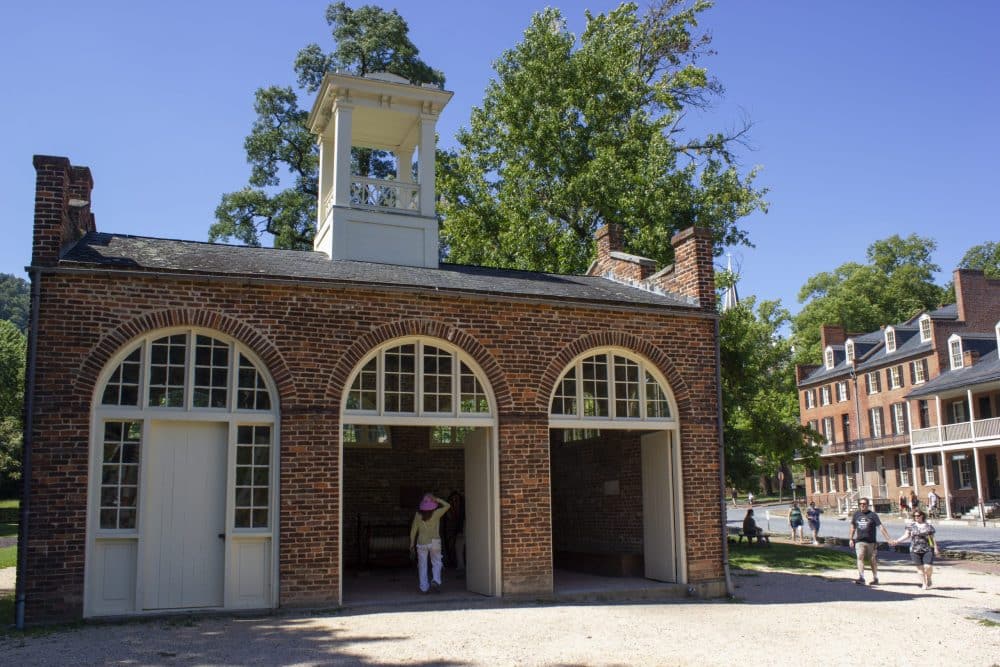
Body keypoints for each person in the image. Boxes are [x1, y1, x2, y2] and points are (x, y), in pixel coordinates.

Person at [409, 493, 451, 594]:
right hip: (435, 542)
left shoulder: (418, 515)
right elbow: (448, 505)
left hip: (421, 543)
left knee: (422, 566)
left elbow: (413, 530)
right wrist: (437, 499)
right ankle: (436, 580)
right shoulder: (437, 513)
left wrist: (411, 544)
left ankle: (424, 588)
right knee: (437, 562)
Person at [891, 508, 941, 590]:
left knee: (928, 567)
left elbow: (932, 538)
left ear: (922, 516)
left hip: (927, 548)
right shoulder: (911, 526)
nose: (916, 517)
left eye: (918, 516)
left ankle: (929, 577)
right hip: (914, 549)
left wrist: (936, 548)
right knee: (920, 568)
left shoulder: (928, 526)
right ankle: (924, 584)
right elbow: (906, 535)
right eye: (914, 516)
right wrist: (897, 541)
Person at [849, 498, 892, 585]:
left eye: (864, 503)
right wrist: (851, 539)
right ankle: (861, 577)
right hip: (859, 541)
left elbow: (881, 527)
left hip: (871, 542)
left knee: (872, 560)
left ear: (868, 505)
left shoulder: (873, 515)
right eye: (860, 503)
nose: (862, 505)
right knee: (860, 557)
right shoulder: (856, 514)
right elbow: (853, 527)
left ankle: (875, 577)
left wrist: (888, 539)